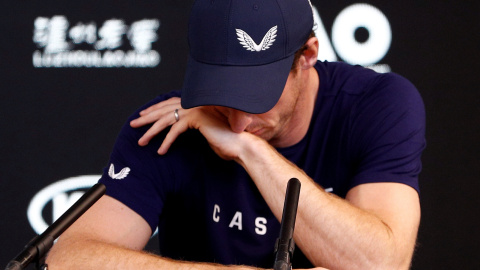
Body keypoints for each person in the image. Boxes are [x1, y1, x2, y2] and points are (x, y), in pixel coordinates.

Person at [46, 0, 425, 269]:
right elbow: (70, 260)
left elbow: (381, 263)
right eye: (223, 94)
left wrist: (249, 151)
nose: (238, 120)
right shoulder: (169, 124)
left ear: (307, 56)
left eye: (257, 95)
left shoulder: (376, 104)